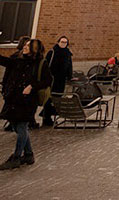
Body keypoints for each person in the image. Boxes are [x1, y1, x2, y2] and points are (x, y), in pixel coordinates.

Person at [0, 39, 51, 169]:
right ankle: (28, 154)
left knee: (22, 126)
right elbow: (5, 62)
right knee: (17, 126)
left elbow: (47, 80)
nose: (25, 47)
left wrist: (32, 86)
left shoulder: (40, 63)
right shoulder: (18, 59)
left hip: (28, 101)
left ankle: (16, 157)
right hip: (14, 98)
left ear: (35, 49)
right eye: (25, 45)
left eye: (29, 45)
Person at [40, 35, 72, 127]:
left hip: (61, 80)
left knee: (57, 98)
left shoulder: (68, 53)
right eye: (62, 42)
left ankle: (48, 115)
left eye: (65, 42)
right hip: (52, 79)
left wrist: (69, 76)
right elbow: (46, 65)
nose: (63, 44)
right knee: (49, 98)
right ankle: (46, 117)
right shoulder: (52, 52)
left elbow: (69, 66)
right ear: (58, 42)